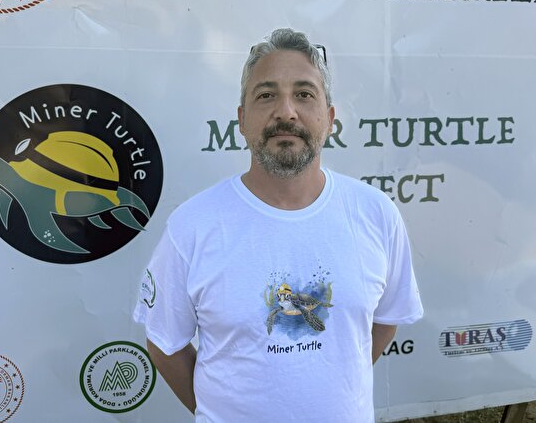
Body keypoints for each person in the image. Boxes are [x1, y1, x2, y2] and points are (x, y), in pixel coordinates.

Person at [134, 28, 423, 422]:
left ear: (330, 119)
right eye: (266, 95)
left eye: (304, 94)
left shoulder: (376, 213)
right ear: (241, 119)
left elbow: (386, 320)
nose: (286, 111)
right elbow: (165, 345)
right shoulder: (192, 226)